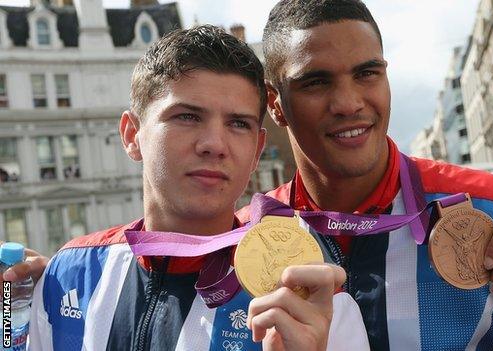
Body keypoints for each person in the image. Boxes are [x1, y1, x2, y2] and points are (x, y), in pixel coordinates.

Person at [241, 0, 493, 348]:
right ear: (275, 104)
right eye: (316, 82)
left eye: (367, 73)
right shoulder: (239, 244)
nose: (348, 103)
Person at [27, 25, 368, 351]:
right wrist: (7, 312)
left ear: (256, 152)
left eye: (238, 123)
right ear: (132, 136)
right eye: (187, 116)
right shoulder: (66, 274)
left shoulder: (318, 306)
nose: (214, 144)